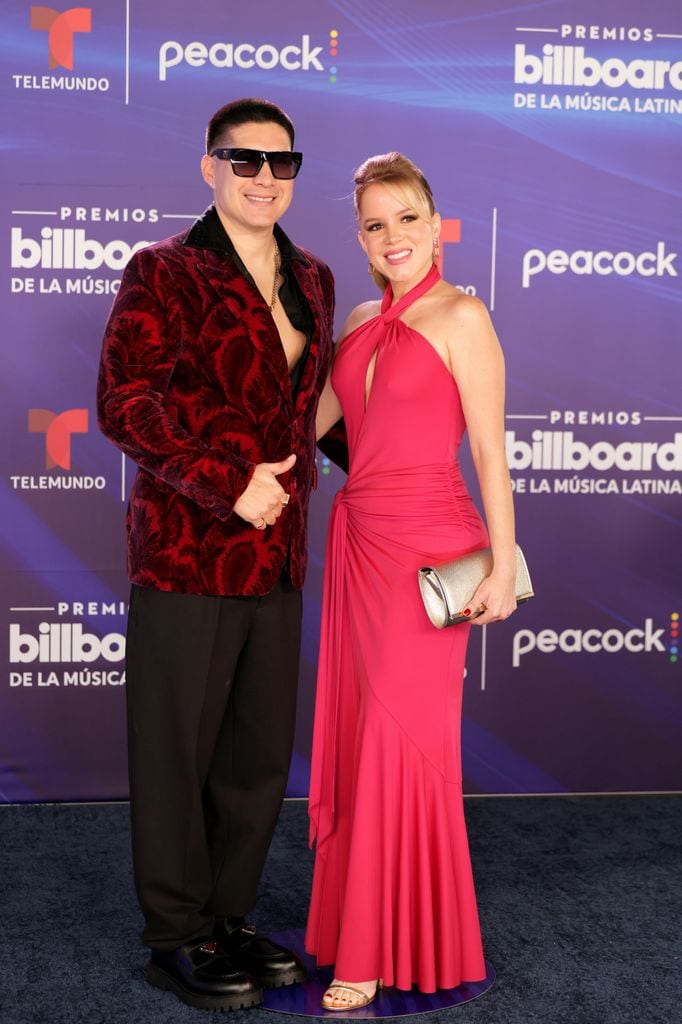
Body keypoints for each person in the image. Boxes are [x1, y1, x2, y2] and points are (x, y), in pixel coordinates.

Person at [97, 98, 335, 1013]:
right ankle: (175, 934)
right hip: (188, 553)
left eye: (282, 163)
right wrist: (229, 482)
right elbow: (125, 401)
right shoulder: (164, 269)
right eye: (245, 160)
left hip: (279, 556)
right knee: (177, 750)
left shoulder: (313, 278)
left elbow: (319, 410)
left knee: (255, 755)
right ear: (210, 166)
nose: (264, 178)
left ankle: (228, 917)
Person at [305, 152, 517, 1009]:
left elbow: (491, 453)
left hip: (430, 548)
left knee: (401, 738)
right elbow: (308, 422)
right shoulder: (360, 317)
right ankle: (358, 925)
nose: (392, 235)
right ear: (360, 239)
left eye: (406, 218)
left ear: (435, 226)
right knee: (363, 735)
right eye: (374, 224)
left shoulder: (464, 315)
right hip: (359, 543)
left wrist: (502, 563)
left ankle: (376, 947)